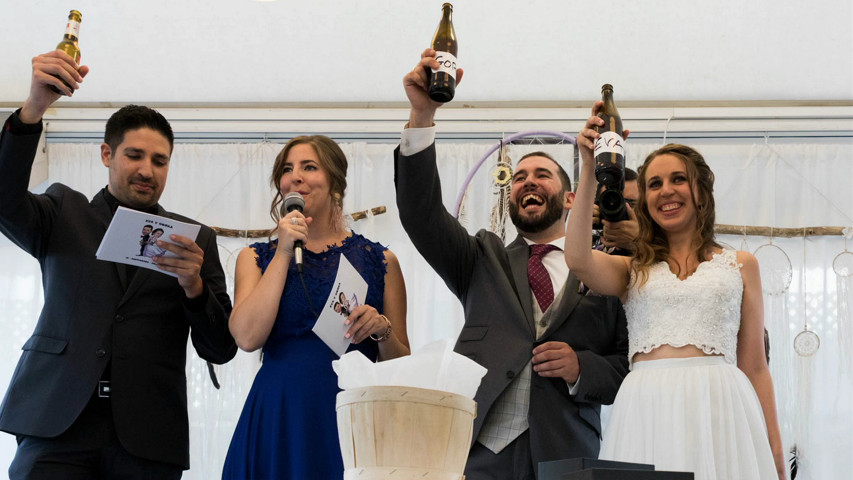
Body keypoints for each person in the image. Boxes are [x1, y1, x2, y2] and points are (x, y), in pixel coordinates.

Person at [0, 50, 237, 479]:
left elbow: (221, 348)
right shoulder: (62, 211)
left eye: (160, 161)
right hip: (56, 422)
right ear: (107, 154)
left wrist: (194, 287)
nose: (147, 169)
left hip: (148, 435)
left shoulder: (195, 240)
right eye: (134, 155)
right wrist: (32, 110)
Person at [395, 49, 629, 480]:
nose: (528, 182)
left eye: (542, 174)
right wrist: (421, 115)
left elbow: (626, 366)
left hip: (567, 456)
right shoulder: (481, 259)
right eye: (519, 177)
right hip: (480, 456)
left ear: (572, 198)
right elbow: (420, 214)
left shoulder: (610, 272)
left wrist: (583, 368)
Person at [565, 102, 785, 479]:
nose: (666, 191)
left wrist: (775, 456)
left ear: (701, 191)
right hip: (647, 409)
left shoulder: (742, 265)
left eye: (678, 179)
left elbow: (755, 368)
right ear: (647, 202)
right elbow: (578, 259)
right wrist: (589, 168)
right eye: (655, 184)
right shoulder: (632, 269)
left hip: (721, 408)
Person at [222, 135, 409, 479]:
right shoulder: (256, 257)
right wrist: (282, 251)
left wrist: (382, 329)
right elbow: (247, 337)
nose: (296, 177)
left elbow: (401, 366)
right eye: (287, 169)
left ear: (336, 180)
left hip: (349, 418)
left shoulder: (380, 261)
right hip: (279, 413)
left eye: (310, 167)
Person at [592, 167, 639, 256]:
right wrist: (581, 227)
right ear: (598, 205)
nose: (621, 208)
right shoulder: (591, 243)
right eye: (610, 202)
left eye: (631, 202)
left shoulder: (662, 241)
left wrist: (638, 243)